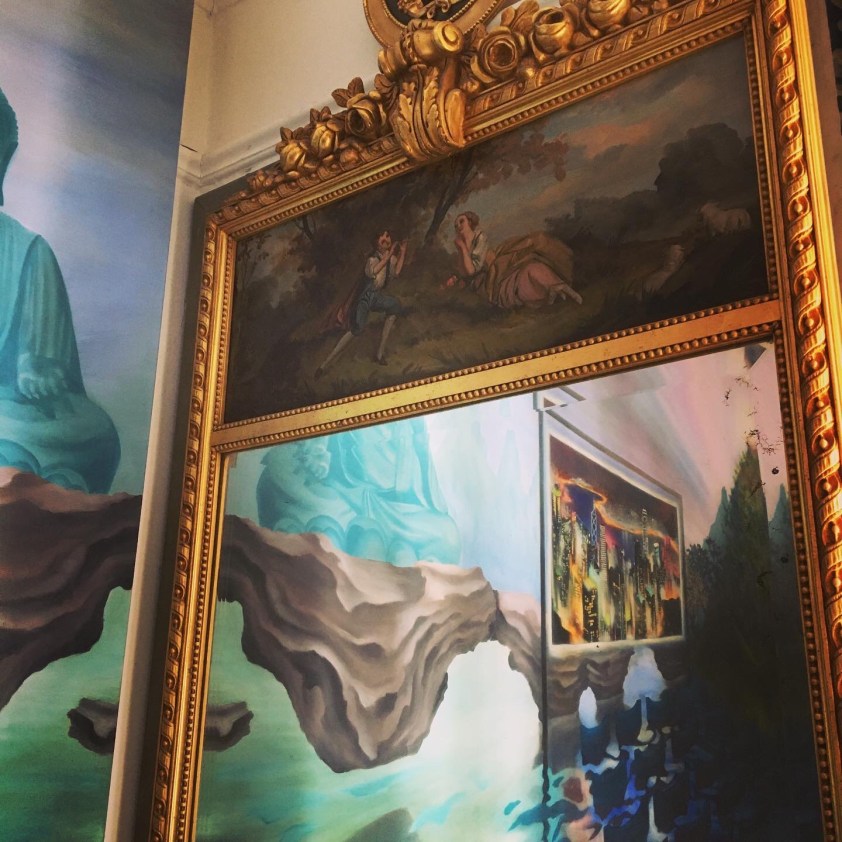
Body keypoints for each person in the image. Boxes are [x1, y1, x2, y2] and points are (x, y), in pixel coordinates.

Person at [0, 86, 119, 492]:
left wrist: (37, 366)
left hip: (10, 407)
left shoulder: (28, 249)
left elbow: (45, 355)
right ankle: (29, 467)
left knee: (91, 427)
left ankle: (28, 468)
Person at [316, 229, 407, 375]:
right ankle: (325, 365)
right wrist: (389, 255)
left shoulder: (390, 259)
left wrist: (402, 252)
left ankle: (380, 354)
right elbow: (375, 271)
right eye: (382, 238)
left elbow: (396, 273)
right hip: (364, 298)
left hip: (376, 296)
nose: (386, 239)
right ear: (377, 244)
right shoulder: (372, 260)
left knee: (395, 305)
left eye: (387, 236)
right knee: (356, 329)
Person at [452, 211, 583, 308]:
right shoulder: (462, 247)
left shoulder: (479, 237)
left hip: (500, 268)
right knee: (523, 278)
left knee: (532, 258)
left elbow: (472, 269)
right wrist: (462, 249)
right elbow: (467, 272)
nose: (458, 225)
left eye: (461, 221)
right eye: (456, 225)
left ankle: (560, 287)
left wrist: (463, 249)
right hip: (491, 281)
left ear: (470, 222)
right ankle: (552, 293)